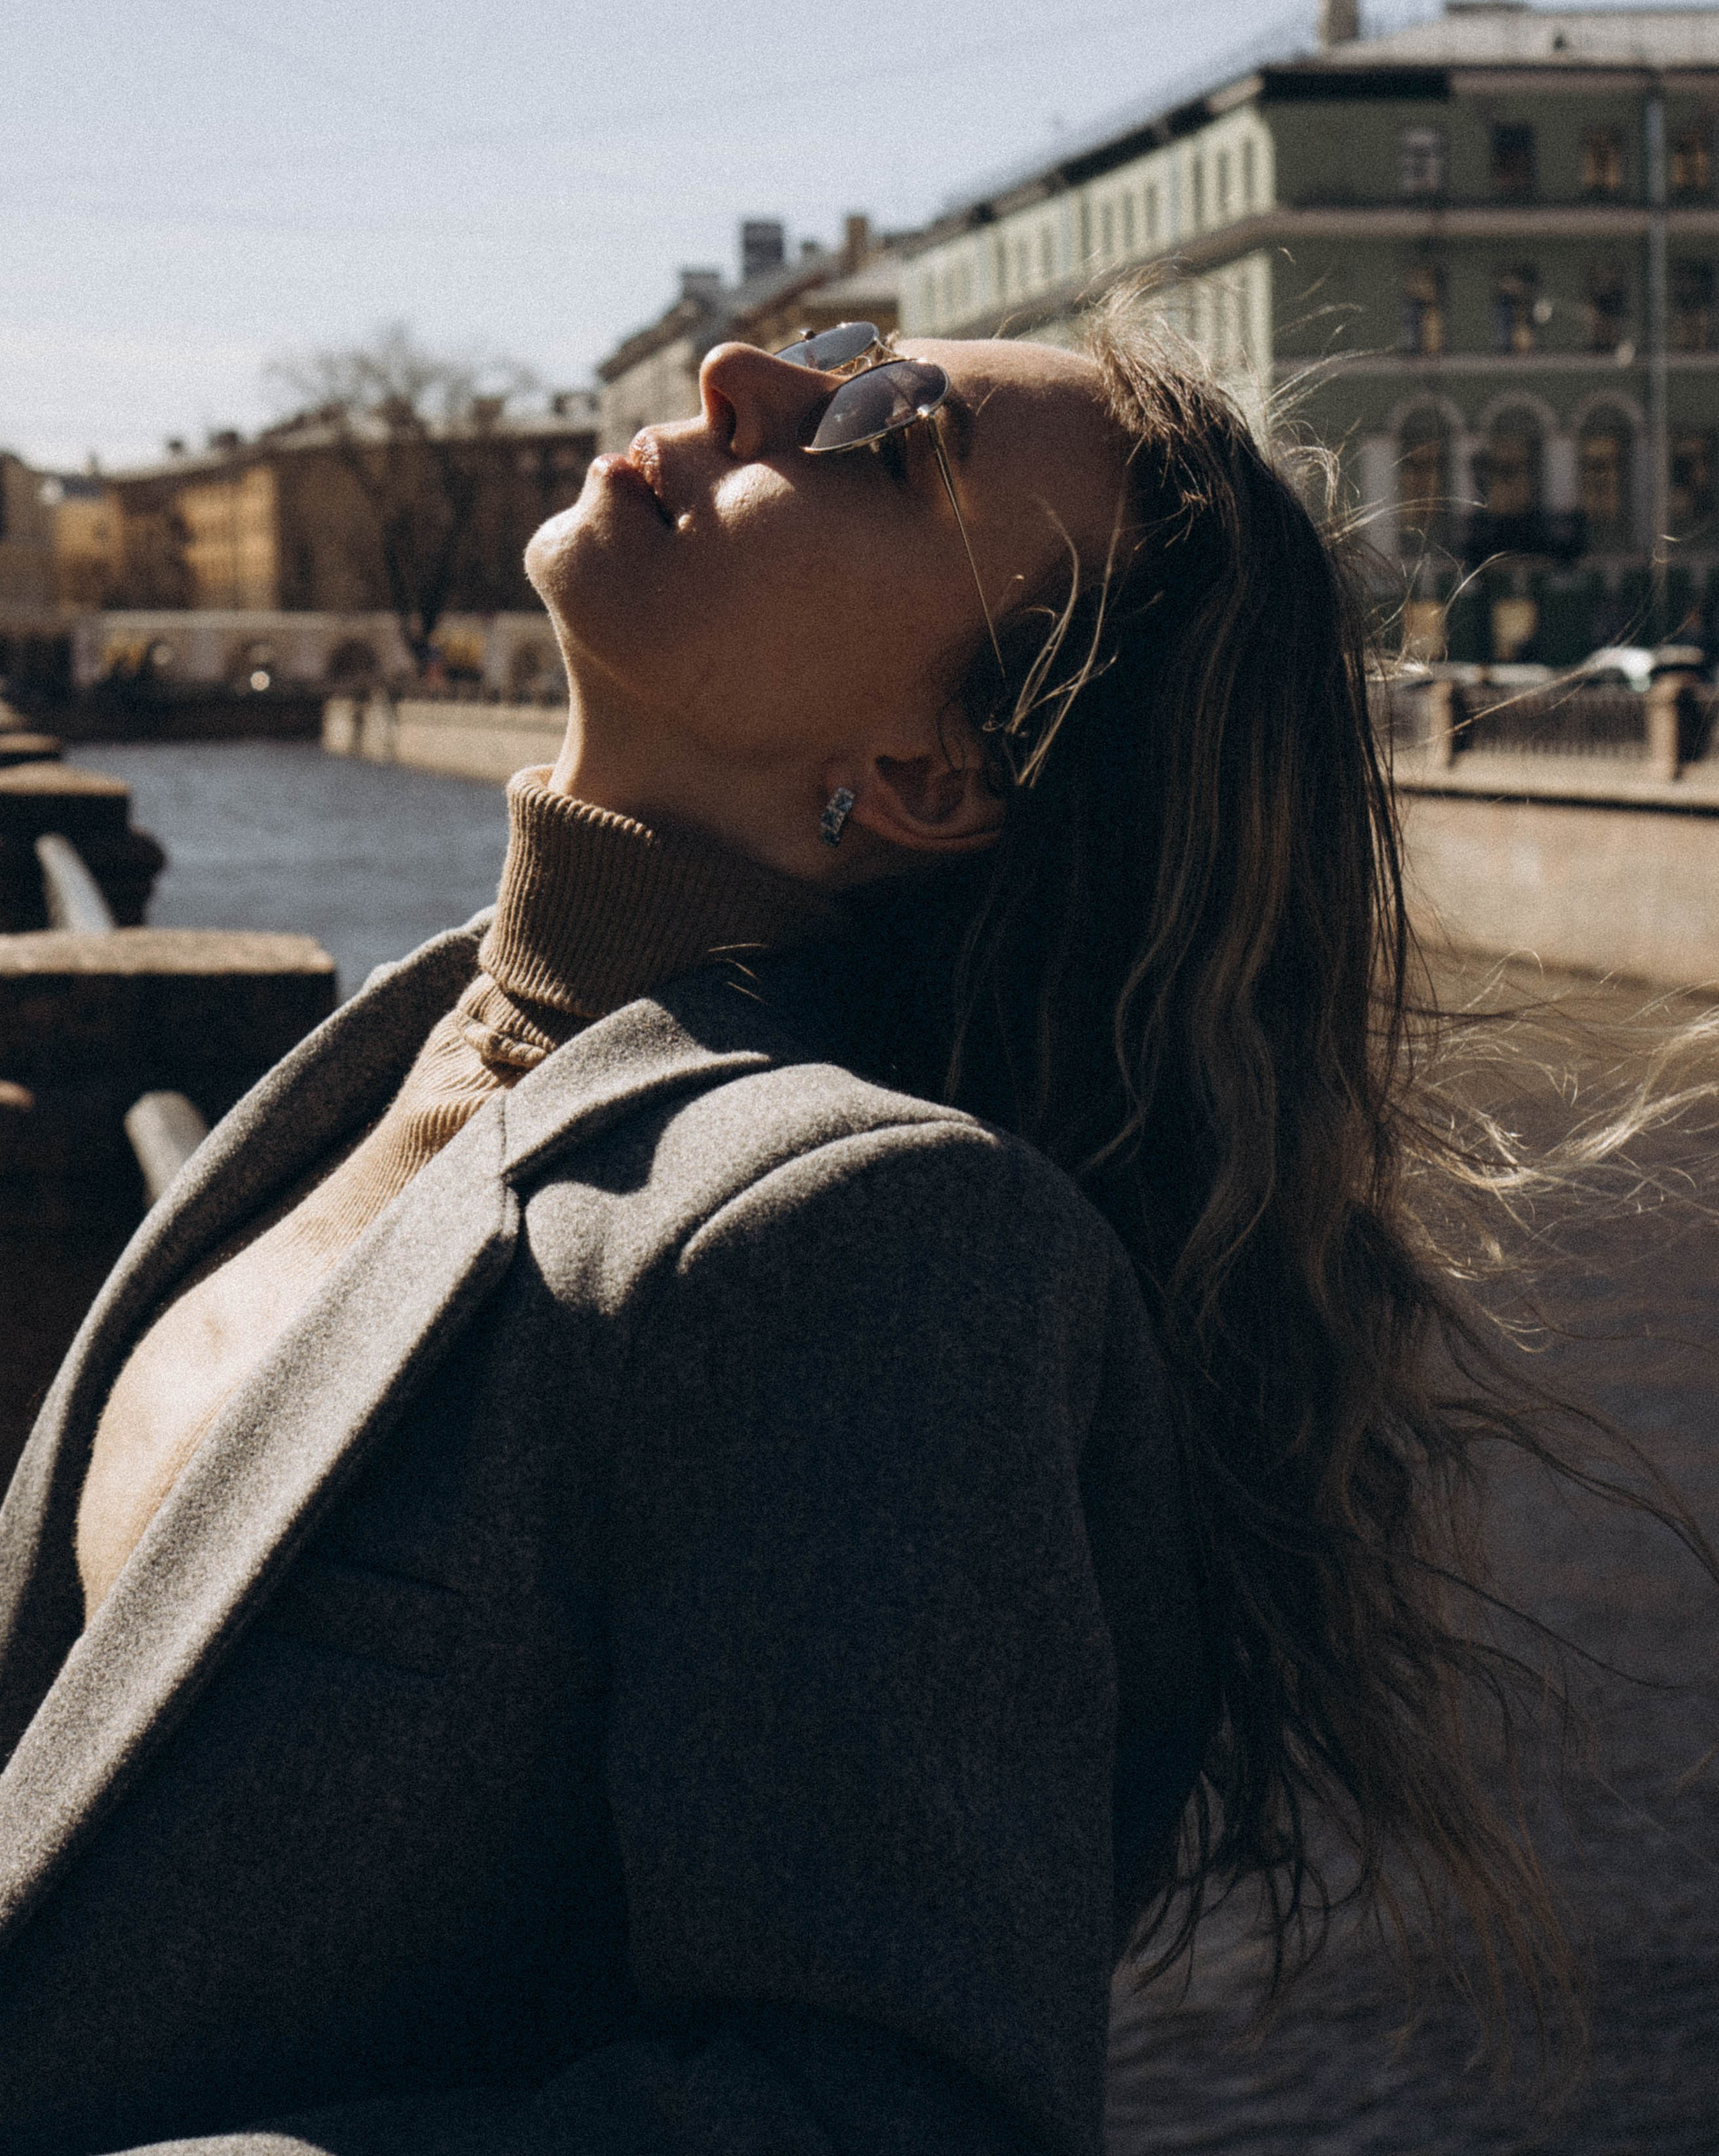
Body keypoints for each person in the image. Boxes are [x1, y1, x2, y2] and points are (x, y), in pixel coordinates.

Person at [0, 297, 1615, 2153]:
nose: (742, 378)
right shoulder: (415, 1043)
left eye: (884, 436)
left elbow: (895, 2112)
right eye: (845, 352)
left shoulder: (875, 1240)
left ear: (934, 773)